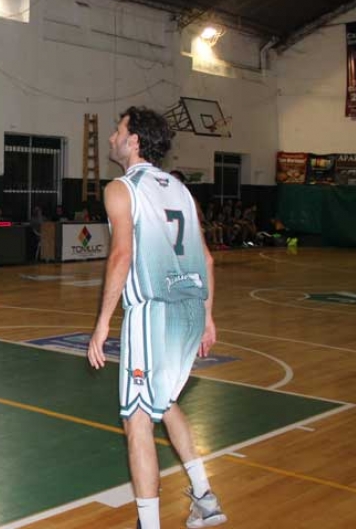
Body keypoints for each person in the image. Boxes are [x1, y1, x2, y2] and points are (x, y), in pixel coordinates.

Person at [87, 107, 225, 529]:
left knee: (137, 420)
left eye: (118, 129)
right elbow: (206, 258)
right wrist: (207, 318)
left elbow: (122, 256)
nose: (111, 136)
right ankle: (204, 497)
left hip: (154, 314)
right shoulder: (181, 189)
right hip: (189, 310)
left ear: (135, 141)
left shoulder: (121, 189)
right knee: (164, 403)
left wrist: (102, 322)